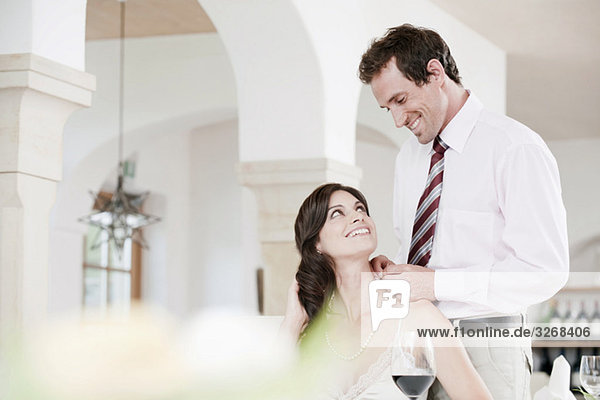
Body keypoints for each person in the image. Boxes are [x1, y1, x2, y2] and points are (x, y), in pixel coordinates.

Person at [358, 24, 569, 399]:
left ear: (435, 74)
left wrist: (435, 283)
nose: (397, 119)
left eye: (401, 99)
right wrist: (397, 271)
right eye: (387, 107)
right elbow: (418, 248)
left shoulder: (514, 147)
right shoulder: (409, 156)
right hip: (415, 342)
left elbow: (545, 271)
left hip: (485, 339)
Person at [280, 183, 493, 400]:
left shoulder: (418, 316)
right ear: (316, 242)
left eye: (360, 209)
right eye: (337, 213)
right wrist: (291, 324)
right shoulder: (310, 331)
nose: (357, 216)